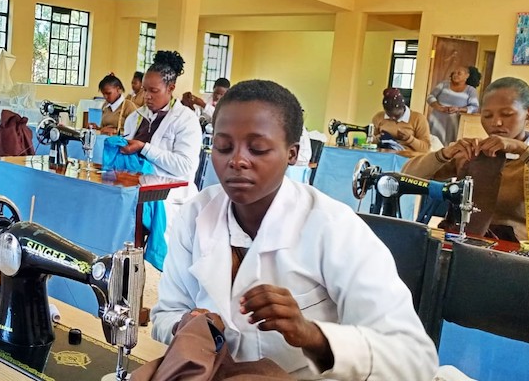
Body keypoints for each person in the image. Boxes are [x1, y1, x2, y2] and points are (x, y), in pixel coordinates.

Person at [152, 79, 438, 380]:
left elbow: (414, 359)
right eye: (223, 147)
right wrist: (188, 325)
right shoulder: (195, 215)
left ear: (292, 153)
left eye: (258, 149)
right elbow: (164, 315)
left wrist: (311, 335)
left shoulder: (334, 228)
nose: (236, 161)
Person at [403, 77, 529, 244]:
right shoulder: (473, 153)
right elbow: (406, 177)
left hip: (519, 257)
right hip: (468, 247)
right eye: (487, 115)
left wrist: (522, 149)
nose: (496, 122)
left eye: (507, 114)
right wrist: (445, 153)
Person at [122, 51, 202, 205]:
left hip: (170, 200)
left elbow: (185, 166)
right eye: (144, 89)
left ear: (171, 88)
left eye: (154, 91)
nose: (147, 96)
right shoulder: (134, 118)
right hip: (135, 193)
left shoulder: (186, 120)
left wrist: (145, 148)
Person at [427, 66, 479, 145]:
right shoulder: (443, 84)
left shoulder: (471, 90)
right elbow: (430, 97)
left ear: (467, 76)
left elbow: (474, 107)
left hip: (454, 123)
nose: (455, 75)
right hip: (436, 120)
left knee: (449, 146)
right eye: (454, 73)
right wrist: (438, 107)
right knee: (432, 144)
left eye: (459, 73)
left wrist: (458, 109)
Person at [372, 88, 431, 153]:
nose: (392, 118)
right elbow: (371, 142)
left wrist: (409, 139)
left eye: (396, 115)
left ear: (403, 108)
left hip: (408, 157)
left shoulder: (418, 119)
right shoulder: (379, 117)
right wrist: (376, 139)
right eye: (389, 115)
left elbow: (426, 148)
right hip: (383, 155)